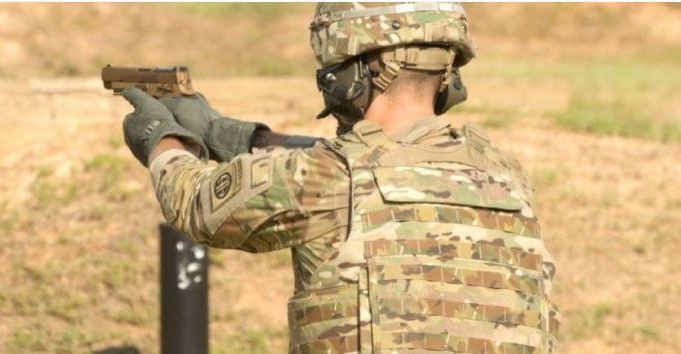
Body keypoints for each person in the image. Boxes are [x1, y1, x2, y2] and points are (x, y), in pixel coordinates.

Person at [120, 2, 559, 353]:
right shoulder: (509, 179)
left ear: (355, 75)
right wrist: (234, 135)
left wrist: (162, 139)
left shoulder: (329, 178)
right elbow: (371, 160)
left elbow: (195, 203)